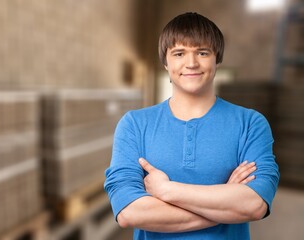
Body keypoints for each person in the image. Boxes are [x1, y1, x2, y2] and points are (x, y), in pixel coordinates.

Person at [104, 12, 279, 239]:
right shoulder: (134, 125)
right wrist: (226, 202)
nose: (191, 63)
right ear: (166, 63)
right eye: (179, 53)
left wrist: (168, 191)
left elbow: (255, 205)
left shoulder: (251, 124)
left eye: (202, 52)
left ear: (217, 58)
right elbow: (129, 212)